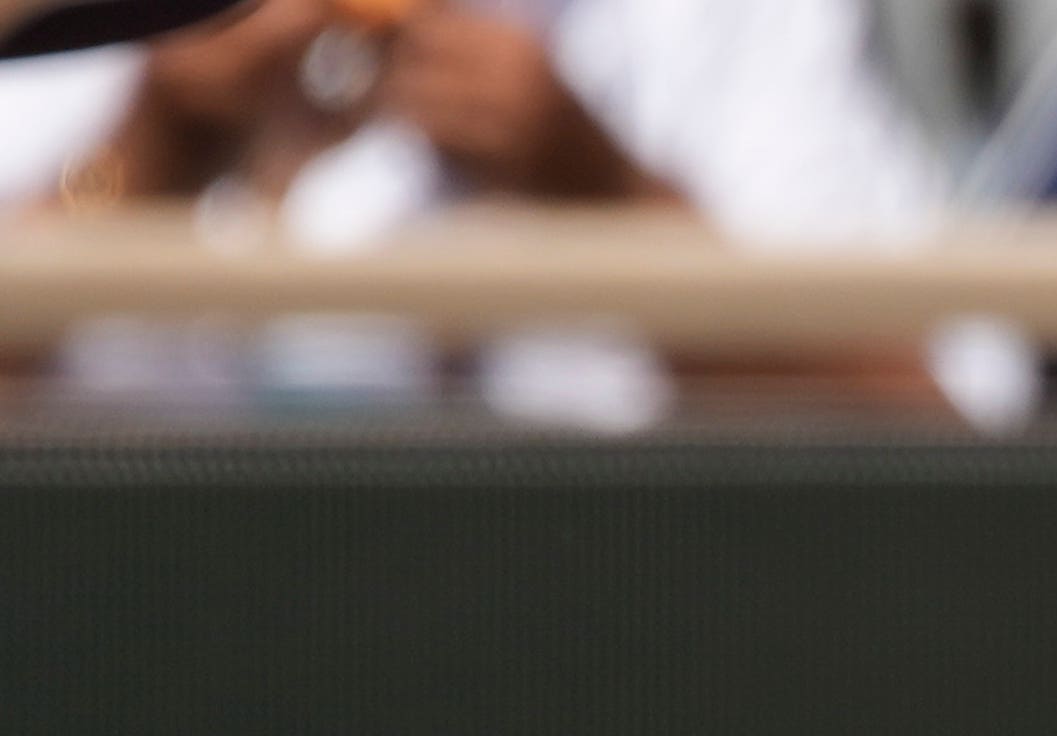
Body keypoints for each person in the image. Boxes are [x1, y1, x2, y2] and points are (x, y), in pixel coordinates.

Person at [0, 0, 953, 425]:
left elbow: (956, 443)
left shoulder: (711, 21)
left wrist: (612, 204)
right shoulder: (92, 28)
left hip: (611, 671)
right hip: (140, 680)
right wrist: (138, 166)